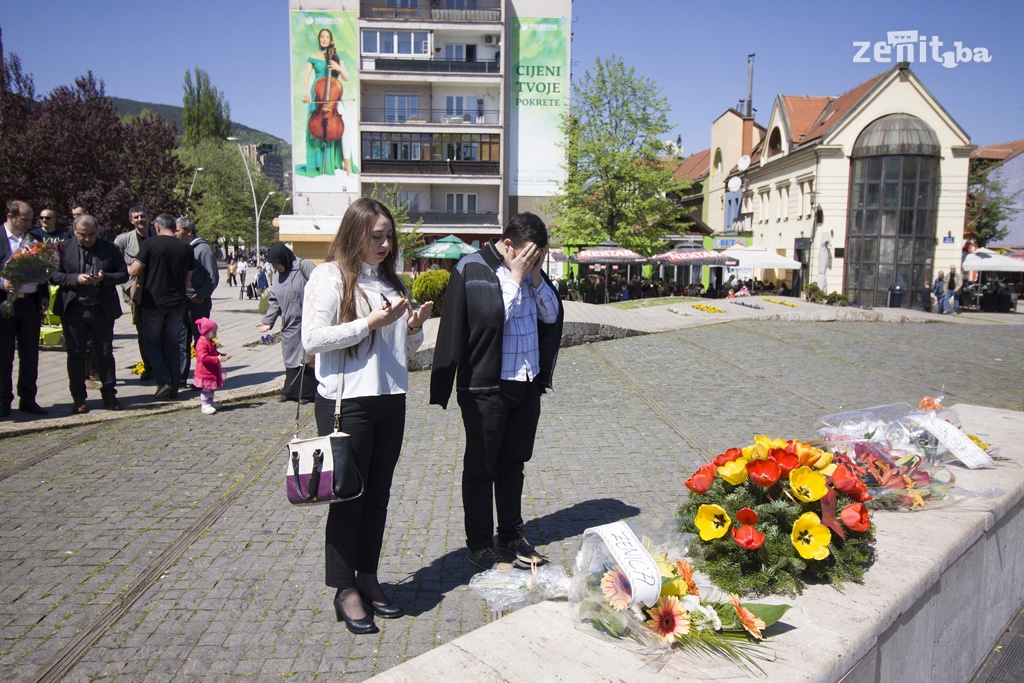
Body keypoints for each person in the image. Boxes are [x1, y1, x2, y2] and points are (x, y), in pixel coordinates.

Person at [300, 198, 433, 634]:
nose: (384, 243)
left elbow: (400, 354)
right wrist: (369, 324)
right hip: (346, 404)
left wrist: (411, 329)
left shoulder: (391, 281)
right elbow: (313, 340)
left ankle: (368, 575)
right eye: (376, 235)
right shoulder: (329, 276)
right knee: (349, 501)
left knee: (378, 496)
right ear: (354, 232)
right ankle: (344, 589)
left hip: (390, 399)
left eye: (388, 235)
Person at [429, 212, 564, 572]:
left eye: (540, 257)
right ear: (508, 245)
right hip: (485, 387)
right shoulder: (473, 268)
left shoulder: (532, 272)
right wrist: (516, 279)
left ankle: (511, 534)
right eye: (529, 255)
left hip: (526, 382)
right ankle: (478, 542)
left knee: (514, 464)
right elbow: (488, 322)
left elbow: (551, 316)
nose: (534, 262)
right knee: (480, 467)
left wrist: (533, 277)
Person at [50, 214, 129, 413]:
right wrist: (76, 278)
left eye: (91, 234)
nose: (87, 238)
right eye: (82, 235)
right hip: (74, 308)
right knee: (75, 354)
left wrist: (104, 278)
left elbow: (123, 274)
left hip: (100, 308)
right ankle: (78, 398)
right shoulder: (63, 248)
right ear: (74, 231)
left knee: (104, 353)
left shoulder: (108, 248)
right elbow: (53, 275)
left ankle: (110, 395)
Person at [127, 214, 195, 400]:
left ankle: (163, 381)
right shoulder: (186, 248)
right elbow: (187, 279)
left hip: (153, 302)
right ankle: (174, 385)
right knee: (173, 344)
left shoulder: (149, 244)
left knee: (151, 343)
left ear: (157, 228)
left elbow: (134, 271)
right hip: (177, 303)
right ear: (174, 227)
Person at [0, 200, 48, 417]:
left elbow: (45, 270)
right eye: (25, 219)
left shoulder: (34, 240)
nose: (30, 224)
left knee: (30, 354)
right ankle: (3, 401)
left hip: (29, 303)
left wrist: (44, 295)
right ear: (11, 217)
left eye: (31, 219)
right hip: (5, 303)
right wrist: (3, 283)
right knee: (4, 354)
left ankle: (28, 398)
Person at [257, 243, 317, 403]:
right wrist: (268, 321)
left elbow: (319, 286)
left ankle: (308, 392)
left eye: (277, 264)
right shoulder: (277, 276)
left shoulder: (304, 266)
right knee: (290, 355)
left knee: (308, 356)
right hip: (290, 322)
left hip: (308, 320)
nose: (276, 268)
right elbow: (274, 300)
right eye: (273, 265)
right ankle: (290, 391)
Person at [297, 28, 355, 177]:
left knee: (345, 125)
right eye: (322, 37)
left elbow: (346, 77)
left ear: (331, 40)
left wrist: (338, 68)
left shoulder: (335, 56)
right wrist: (305, 92)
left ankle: (346, 162)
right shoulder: (312, 57)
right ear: (319, 39)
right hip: (319, 94)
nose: (324, 39)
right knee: (318, 128)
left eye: (327, 37)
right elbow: (306, 77)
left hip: (334, 96)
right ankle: (320, 164)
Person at [175, 216, 219, 390]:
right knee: (182, 341)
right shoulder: (183, 249)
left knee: (201, 342)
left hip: (198, 304)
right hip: (184, 303)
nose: (175, 233)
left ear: (188, 231)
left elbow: (213, 277)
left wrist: (201, 295)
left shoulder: (203, 250)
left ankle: (204, 378)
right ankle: (180, 378)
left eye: (177, 230)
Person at [114, 204, 154, 378]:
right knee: (143, 333)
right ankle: (149, 366)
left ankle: (162, 366)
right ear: (131, 220)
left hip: (158, 291)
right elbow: (116, 266)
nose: (140, 220)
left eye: (142, 216)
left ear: (148, 217)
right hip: (137, 295)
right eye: (136, 217)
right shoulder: (123, 240)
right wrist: (128, 285)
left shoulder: (158, 236)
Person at [192, 317, 229, 415]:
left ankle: (210, 402)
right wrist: (217, 359)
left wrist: (220, 355)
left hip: (211, 371)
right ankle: (204, 405)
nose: (216, 334)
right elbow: (203, 357)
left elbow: (213, 352)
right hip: (205, 371)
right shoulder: (202, 343)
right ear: (207, 332)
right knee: (206, 389)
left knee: (212, 388)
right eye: (214, 332)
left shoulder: (209, 341)